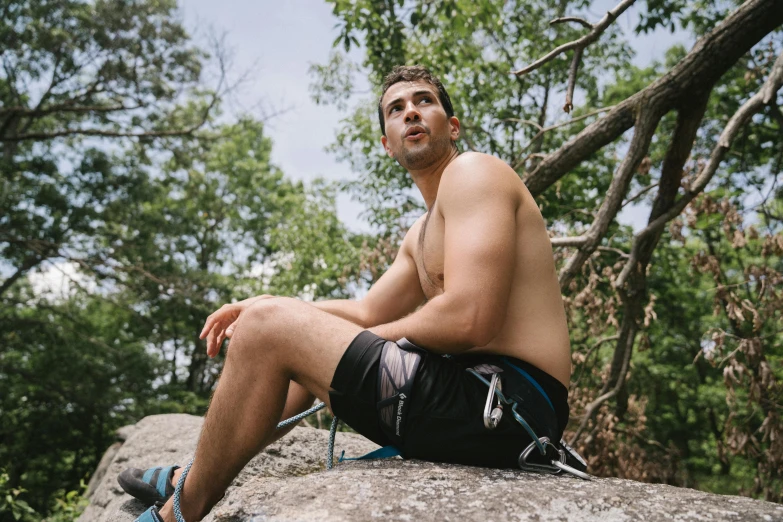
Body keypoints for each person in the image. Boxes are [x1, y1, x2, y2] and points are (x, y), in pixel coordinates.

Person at [120, 65, 573, 522]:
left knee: (274, 330)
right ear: (387, 144)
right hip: (474, 403)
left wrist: (292, 324)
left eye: (424, 101)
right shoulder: (421, 232)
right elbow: (366, 309)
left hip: (508, 406)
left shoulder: (475, 173)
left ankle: (183, 510)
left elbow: (470, 317)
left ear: (451, 126)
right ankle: (197, 475)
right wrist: (267, 304)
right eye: (396, 110)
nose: (410, 112)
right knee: (281, 330)